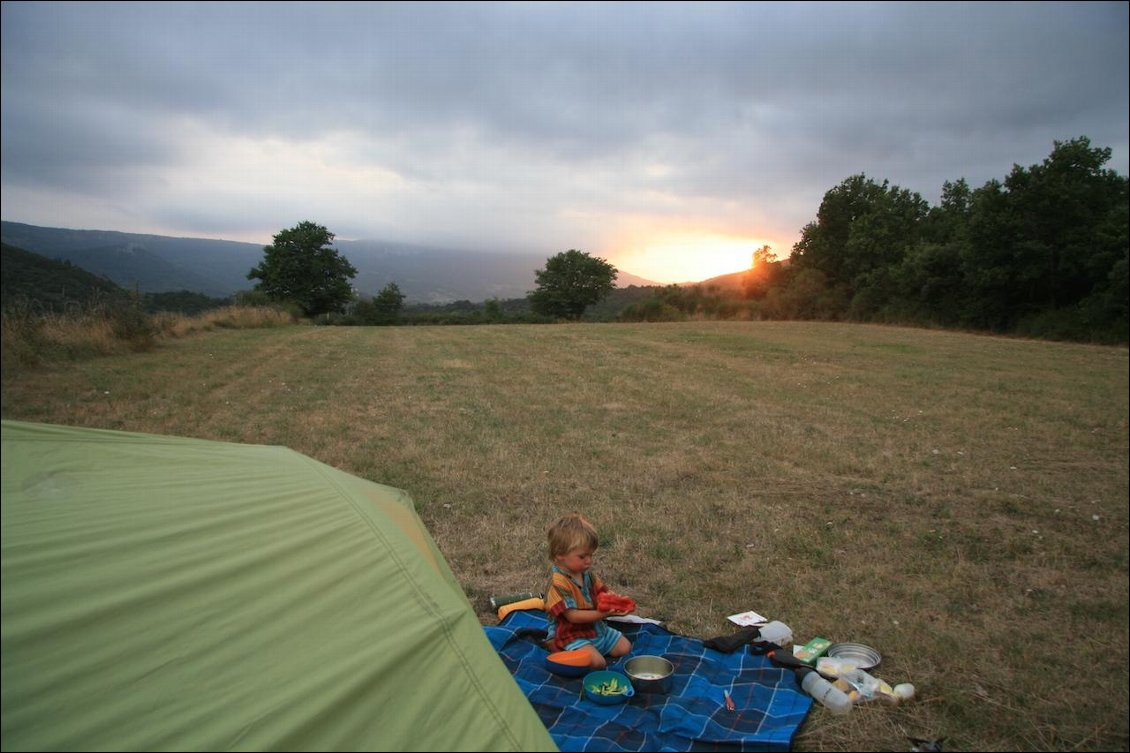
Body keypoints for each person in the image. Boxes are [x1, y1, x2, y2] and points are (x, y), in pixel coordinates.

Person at [544, 513, 632, 669]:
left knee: (625, 647)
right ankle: (559, 650)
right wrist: (602, 614)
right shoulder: (558, 583)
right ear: (560, 555)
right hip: (570, 634)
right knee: (598, 663)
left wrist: (615, 602)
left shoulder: (587, 575)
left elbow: (602, 594)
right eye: (582, 556)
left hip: (595, 629)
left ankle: (589, 651)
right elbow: (573, 616)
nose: (589, 561)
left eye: (590, 555)